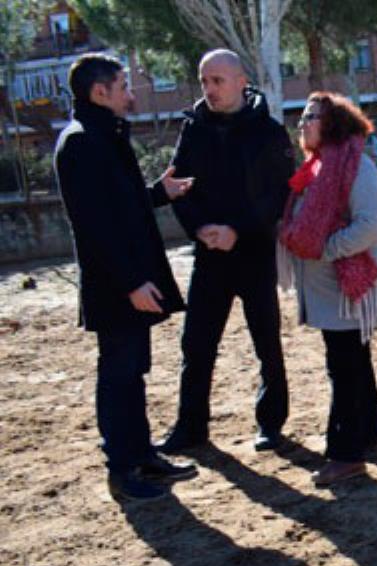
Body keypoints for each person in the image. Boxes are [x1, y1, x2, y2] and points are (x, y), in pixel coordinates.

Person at [54, 54, 199, 502]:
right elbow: (96, 225)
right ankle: (123, 469)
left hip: (130, 282)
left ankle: (142, 456)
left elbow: (122, 202)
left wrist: (160, 192)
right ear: (101, 92)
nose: (131, 95)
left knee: (133, 372)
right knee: (118, 376)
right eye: (123, 86)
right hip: (118, 287)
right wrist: (132, 283)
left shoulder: (105, 136)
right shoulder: (81, 142)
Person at [157, 49, 295, 454]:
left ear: (240, 82)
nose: (210, 89)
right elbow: (178, 186)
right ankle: (190, 428)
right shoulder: (194, 129)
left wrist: (239, 230)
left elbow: (280, 194)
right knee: (196, 344)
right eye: (204, 81)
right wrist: (200, 228)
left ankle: (271, 424)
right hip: (209, 255)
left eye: (218, 80)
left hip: (254, 254)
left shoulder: (269, 132)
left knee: (266, 342)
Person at [277, 92, 377, 486]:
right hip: (329, 284)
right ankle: (370, 433)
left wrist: (323, 250)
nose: (302, 123)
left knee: (343, 366)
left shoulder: (356, 166)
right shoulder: (317, 168)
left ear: (334, 124)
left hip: (350, 282)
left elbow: (369, 227)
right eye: (302, 117)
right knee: (354, 360)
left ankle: (346, 454)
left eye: (311, 117)